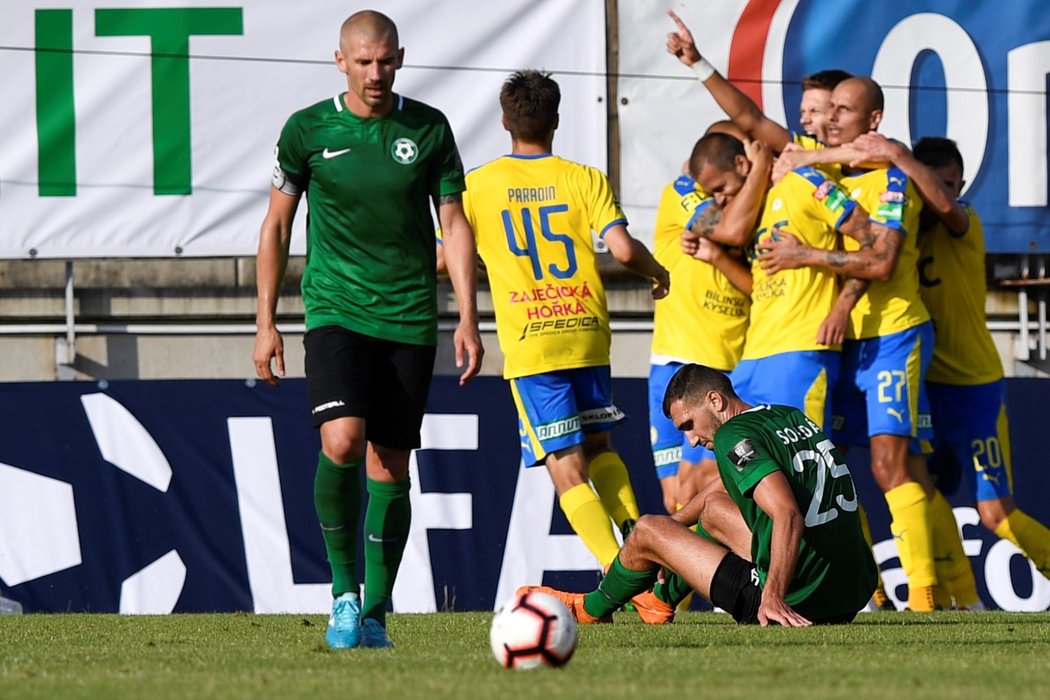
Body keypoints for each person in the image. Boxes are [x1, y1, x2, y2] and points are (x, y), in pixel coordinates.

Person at [253, 10, 483, 650]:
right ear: (341, 61)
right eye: (363, 61)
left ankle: (378, 614)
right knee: (342, 442)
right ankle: (344, 596)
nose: (375, 72)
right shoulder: (307, 131)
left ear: (400, 58)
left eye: (385, 60)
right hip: (335, 311)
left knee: (390, 462)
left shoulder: (428, 129)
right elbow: (274, 226)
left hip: (409, 316)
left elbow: (455, 224)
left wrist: (467, 315)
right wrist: (265, 320)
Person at [758, 77, 975, 611]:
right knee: (834, 470)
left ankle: (926, 598)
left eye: (843, 111)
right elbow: (757, 126)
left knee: (892, 465)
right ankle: (874, 590)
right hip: (847, 344)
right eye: (827, 109)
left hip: (894, 333)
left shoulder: (894, 180)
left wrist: (807, 258)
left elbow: (882, 261)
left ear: (873, 122)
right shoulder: (835, 175)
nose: (829, 119)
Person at [463, 70, 669, 573]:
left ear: (504, 121)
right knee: (601, 448)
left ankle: (624, 573)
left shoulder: (478, 186)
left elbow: (451, 255)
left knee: (567, 469)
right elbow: (621, 250)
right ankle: (642, 547)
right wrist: (657, 271)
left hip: (533, 344)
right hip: (586, 334)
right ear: (556, 120)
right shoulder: (585, 178)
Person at [521, 364, 878, 627]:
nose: (690, 440)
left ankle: (592, 609)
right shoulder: (785, 416)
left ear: (714, 400)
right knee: (710, 509)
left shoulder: (730, 436)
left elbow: (788, 515)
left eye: (689, 425)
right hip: (848, 592)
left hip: (798, 599)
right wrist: (673, 531)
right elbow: (726, 485)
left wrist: (772, 596)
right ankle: (658, 601)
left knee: (645, 530)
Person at [860, 135, 1050, 589]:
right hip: (924, 384)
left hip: (973, 389)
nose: (939, 194)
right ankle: (959, 598)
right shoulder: (895, 232)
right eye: (930, 184)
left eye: (949, 184)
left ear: (961, 183)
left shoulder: (965, 221)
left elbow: (946, 208)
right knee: (921, 487)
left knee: (995, 514)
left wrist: (900, 156)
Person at [648, 122, 752, 515]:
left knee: (707, 489)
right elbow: (727, 228)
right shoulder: (682, 191)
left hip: (727, 364)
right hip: (673, 357)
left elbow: (744, 251)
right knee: (676, 495)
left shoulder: (760, 207)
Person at [665, 10, 851, 149]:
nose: (805, 120)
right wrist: (697, 63)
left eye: (815, 111)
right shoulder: (807, 151)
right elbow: (751, 119)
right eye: (803, 112)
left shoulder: (876, 156)